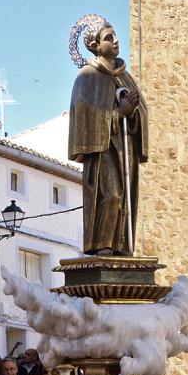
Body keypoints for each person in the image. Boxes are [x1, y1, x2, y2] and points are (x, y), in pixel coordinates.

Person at [69, 21, 148, 255]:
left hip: (126, 149)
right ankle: (102, 245)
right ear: (94, 45)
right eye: (108, 37)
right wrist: (117, 114)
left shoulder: (126, 77)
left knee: (125, 196)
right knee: (111, 194)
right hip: (103, 149)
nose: (115, 41)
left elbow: (142, 110)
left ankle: (122, 247)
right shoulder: (86, 77)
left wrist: (133, 113)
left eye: (115, 36)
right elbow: (84, 117)